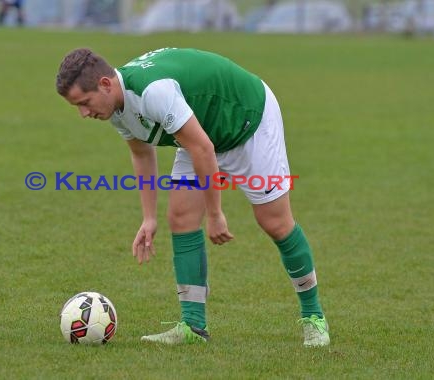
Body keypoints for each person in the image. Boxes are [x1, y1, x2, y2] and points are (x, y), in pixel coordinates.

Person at [55, 47, 330, 347]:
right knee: (182, 218)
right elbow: (141, 152)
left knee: (275, 222)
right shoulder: (116, 106)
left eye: (84, 103)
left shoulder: (153, 93)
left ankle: (314, 318)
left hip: (247, 119)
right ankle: (193, 327)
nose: (83, 113)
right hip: (199, 131)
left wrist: (215, 213)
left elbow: (203, 150)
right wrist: (148, 218)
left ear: (105, 84)